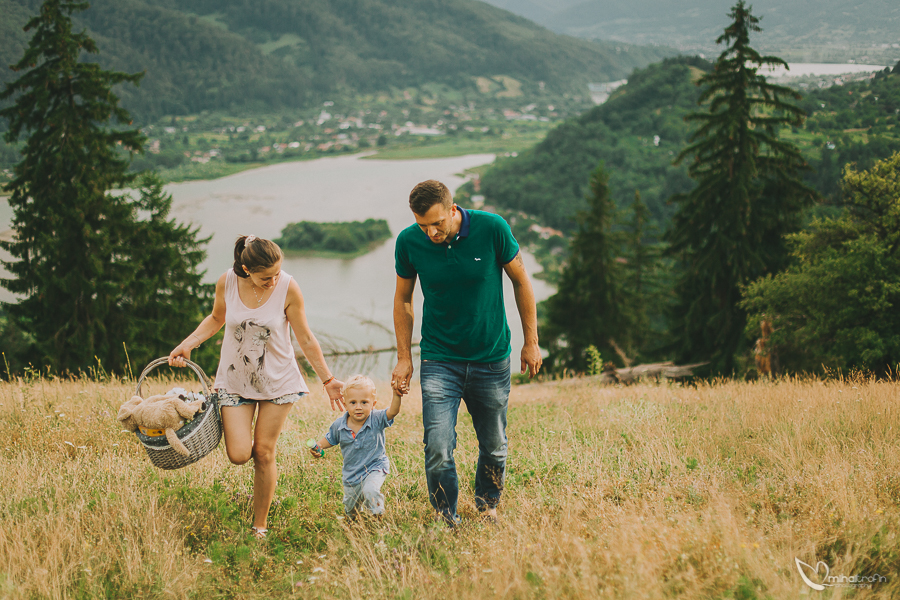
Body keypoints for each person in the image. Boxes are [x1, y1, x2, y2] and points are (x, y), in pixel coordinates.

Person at [169, 235, 345, 538]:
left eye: (278, 273)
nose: (274, 281)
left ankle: (259, 525)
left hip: (278, 381)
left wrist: (328, 380)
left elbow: (304, 337)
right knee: (238, 454)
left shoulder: (288, 287)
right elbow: (216, 318)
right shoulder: (227, 282)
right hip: (234, 380)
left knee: (263, 452)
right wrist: (188, 344)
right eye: (266, 277)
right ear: (246, 268)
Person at [391, 179, 541, 526]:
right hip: (439, 358)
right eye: (422, 225)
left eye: (437, 223)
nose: (430, 232)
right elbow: (402, 299)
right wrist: (404, 357)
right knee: (438, 446)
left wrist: (531, 340)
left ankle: (487, 505)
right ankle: (446, 515)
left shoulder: (492, 228)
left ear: (452, 208)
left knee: (494, 443)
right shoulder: (408, 242)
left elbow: (521, 281)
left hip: (490, 357)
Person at [309, 374, 404, 518]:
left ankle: (377, 516)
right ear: (345, 404)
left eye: (364, 402)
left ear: (373, 404)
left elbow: (393, 411)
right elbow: (331, 439)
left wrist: (396, 394)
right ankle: (352, 521)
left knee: (371, 490)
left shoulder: (377, 418)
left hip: (375, 466)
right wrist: (318, 446)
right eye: (353, 403)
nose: (358, 407)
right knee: (351, 507)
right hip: (352, 474)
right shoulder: (339, 426)